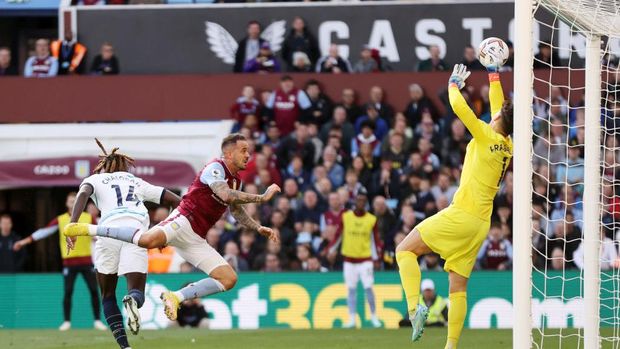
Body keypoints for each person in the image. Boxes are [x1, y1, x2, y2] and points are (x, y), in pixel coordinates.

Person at [66, 133, 281, 322]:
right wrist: (261, 198)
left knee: (229, 279)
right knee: (148, 241)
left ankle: (176, 297)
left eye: (248, 151)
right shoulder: (216, 167)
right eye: (243, 150)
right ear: (229, 153)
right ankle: (89, 229)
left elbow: (234, 208)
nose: (248, 155)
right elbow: (224, 194)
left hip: (195, 237)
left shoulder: (236, 181)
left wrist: (256, 227)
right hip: (183, 219)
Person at [396, 59, 513, 348]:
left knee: (404, 251)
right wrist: (494, 73)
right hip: (480, 224)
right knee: (458, 285)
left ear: (498, 119)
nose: (493, 111)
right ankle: (451, 346)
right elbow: (500, 106)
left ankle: (414, 309)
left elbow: (461, 109)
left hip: (462, 214)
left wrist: (452, 86)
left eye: (496, 112)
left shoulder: (486, 135)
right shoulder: (507, 146)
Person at [67, 139, 181, 348]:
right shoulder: (137, 182)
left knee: (108, 295)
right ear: (126, 166)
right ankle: (132, 301)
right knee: (137, 292)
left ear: (104, 165)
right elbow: (176, 200)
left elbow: (82, 195)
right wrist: (164, 230)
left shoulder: (95, 179)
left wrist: (73, 225)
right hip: (136, 234)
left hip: (107, 233)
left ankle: (124, 346)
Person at [13, 192, 105, 331]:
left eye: (75, 200)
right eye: (70, 201)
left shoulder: (88, 217)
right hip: (69, 263)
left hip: (87, 262)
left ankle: (97, 321)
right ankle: (67, 322)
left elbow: (99, 234)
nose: (73, 203)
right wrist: (24, 242)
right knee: (68, 292)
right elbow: (44, 232)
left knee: (93, 290)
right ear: (66, 203)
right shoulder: (61, 219)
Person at [328, 188, 382, 328]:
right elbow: (338, 235)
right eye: (359, 200)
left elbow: (375, 240)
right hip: (349, 260)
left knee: (368, 288)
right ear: (354, 201)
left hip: (365, 259)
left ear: (366, 203)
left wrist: (377, 258)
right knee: (351, 289)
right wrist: (331, 250)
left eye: (363, 201)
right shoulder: (346, 216)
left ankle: (374, 317)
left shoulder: (371, 219)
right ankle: (351, 318)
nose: (361, 203)